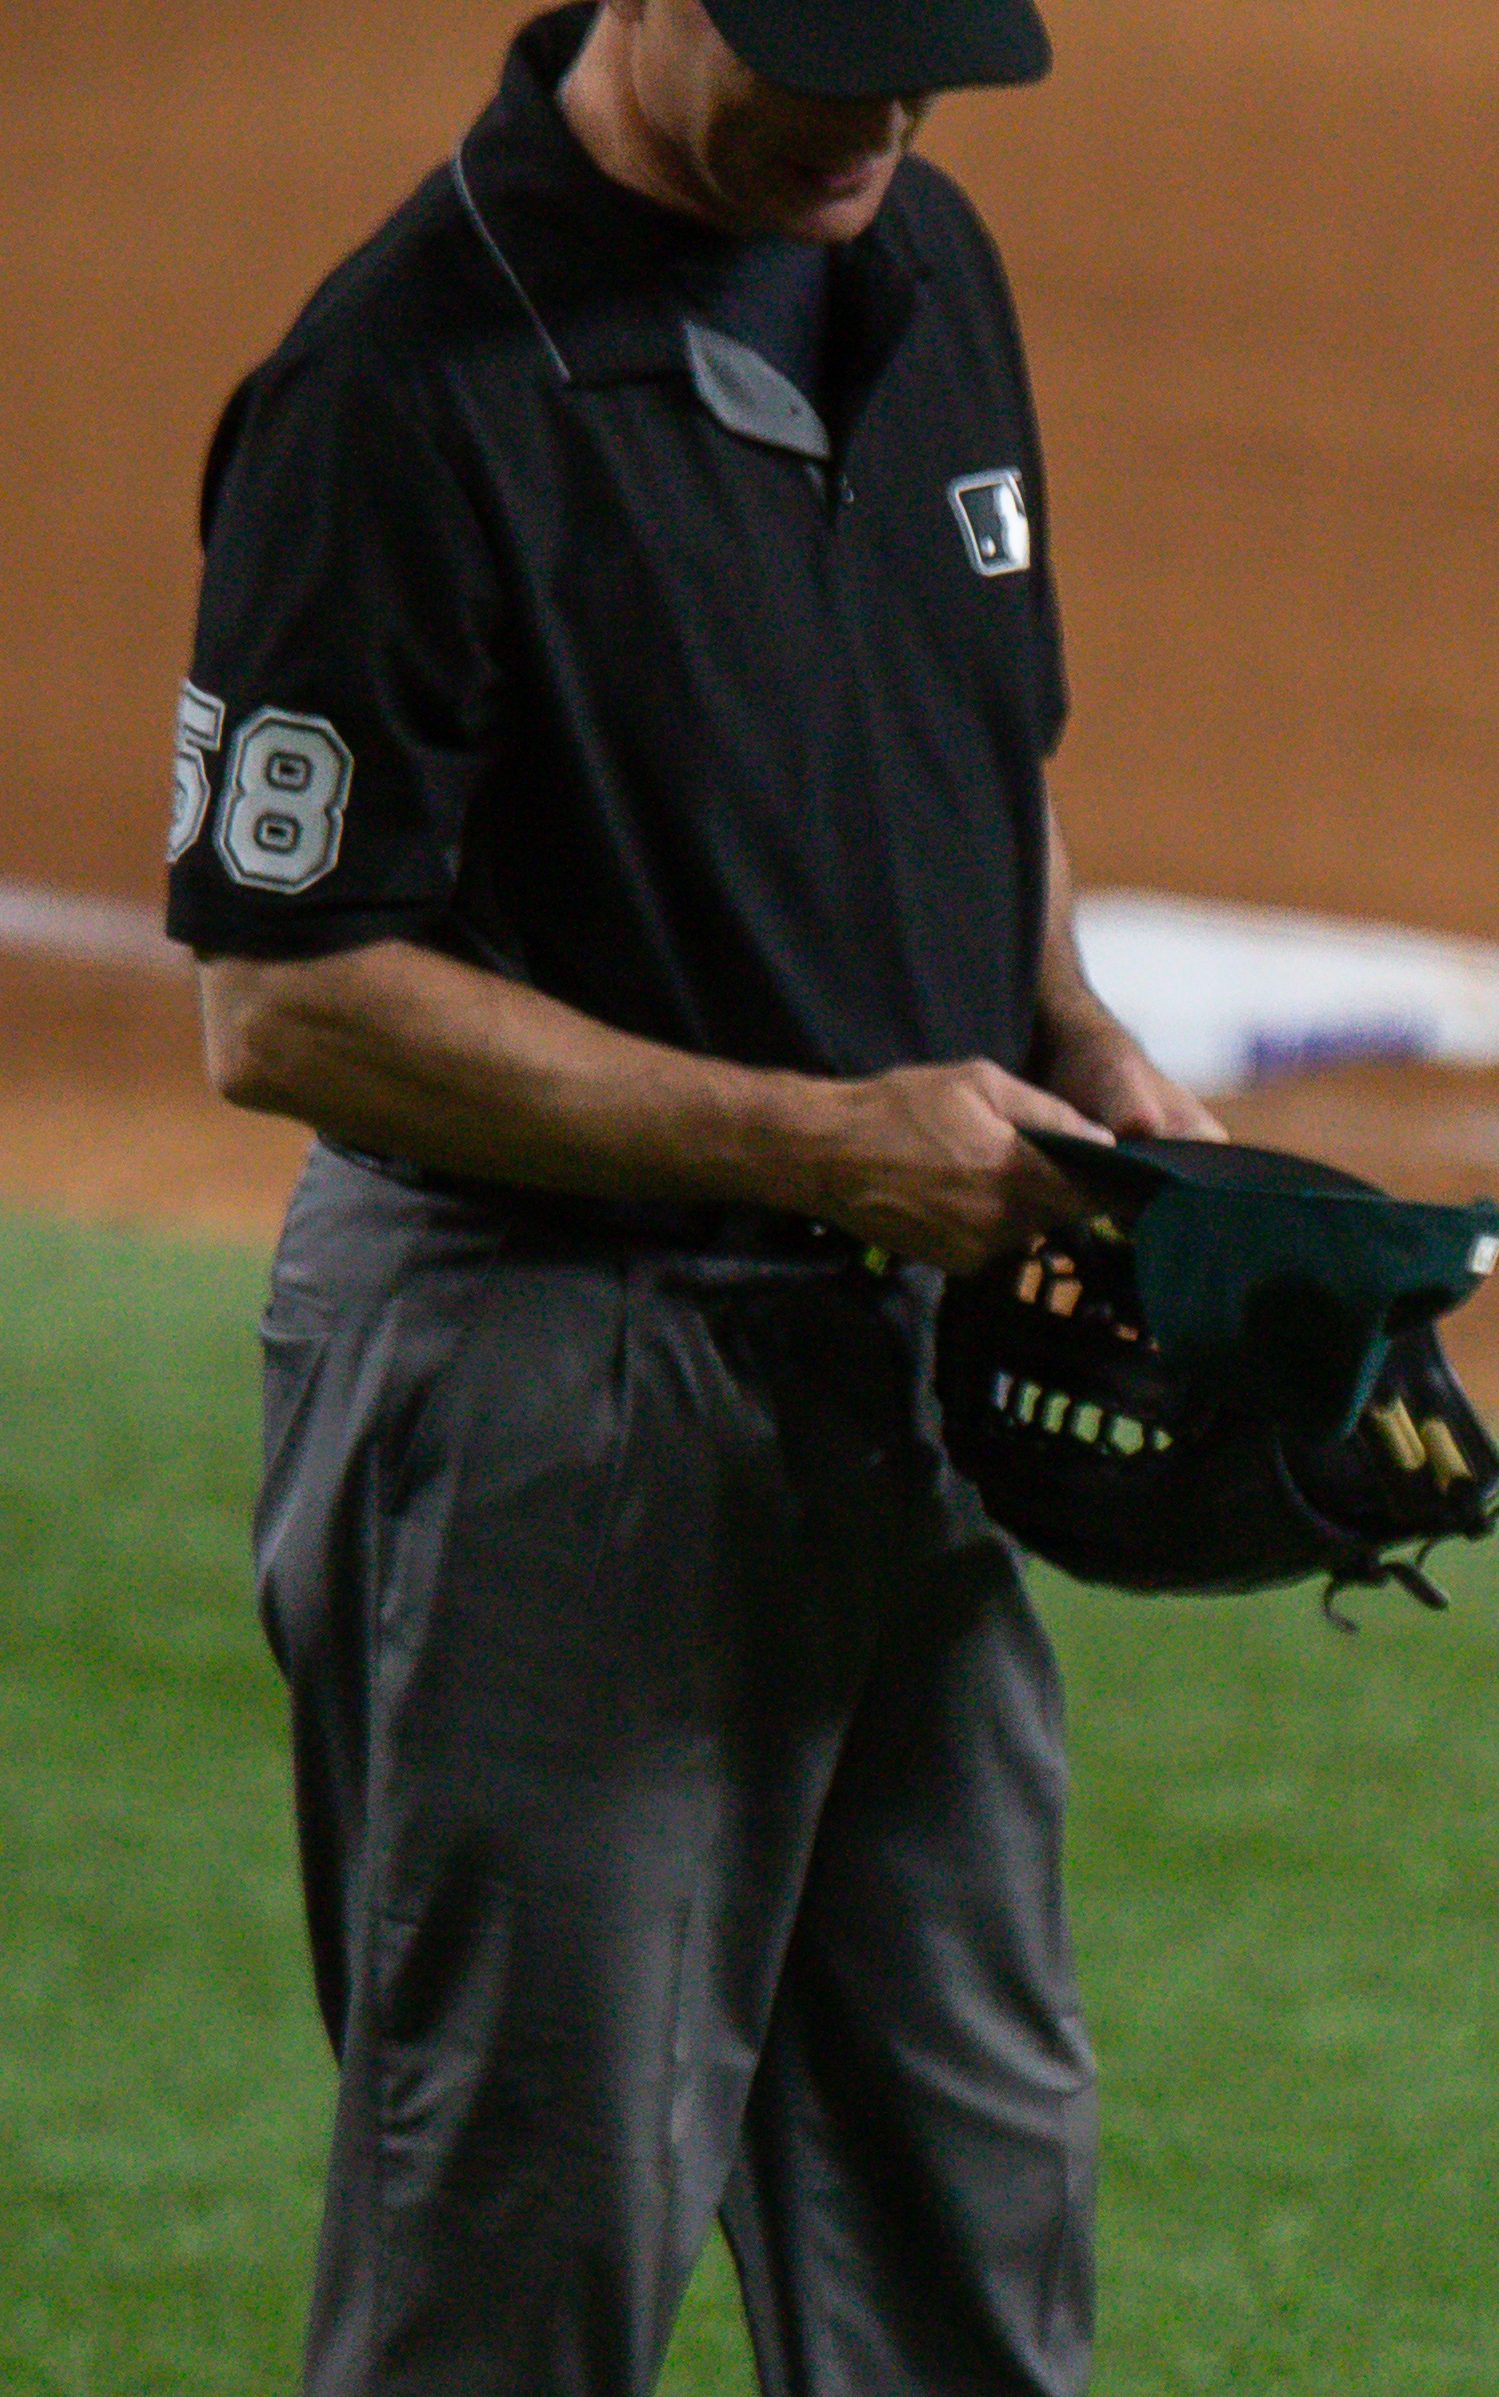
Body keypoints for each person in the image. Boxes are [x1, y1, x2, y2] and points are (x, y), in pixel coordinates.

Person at [167, 2, 1213, 2387]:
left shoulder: (926, 259)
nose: (885, 117)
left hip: (898, 1364)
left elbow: (983, 734)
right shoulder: (398, 386)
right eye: (830, 50)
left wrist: (1074, 1033)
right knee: (521, 2258)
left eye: (931, 55)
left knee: (972, 2219)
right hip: (548, 1385)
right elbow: (288, 1002)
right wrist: (830, 1139)